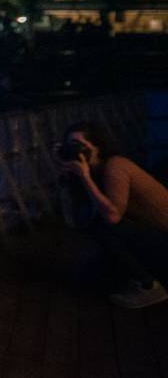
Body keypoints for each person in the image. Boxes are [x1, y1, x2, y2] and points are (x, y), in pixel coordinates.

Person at [59, 121, 168, 308]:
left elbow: (112, 217)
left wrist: (85, 177)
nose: (75, 151)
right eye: (70, 145)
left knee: (100, 224)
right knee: (85, 276)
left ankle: (148, 286)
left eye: (80, 145)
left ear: (98, 147)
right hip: (151, 235)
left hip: (163, 237)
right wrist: (71, 179)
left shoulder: (116, 166)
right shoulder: (94, 172)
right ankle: (136, 274)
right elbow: (75, 220)